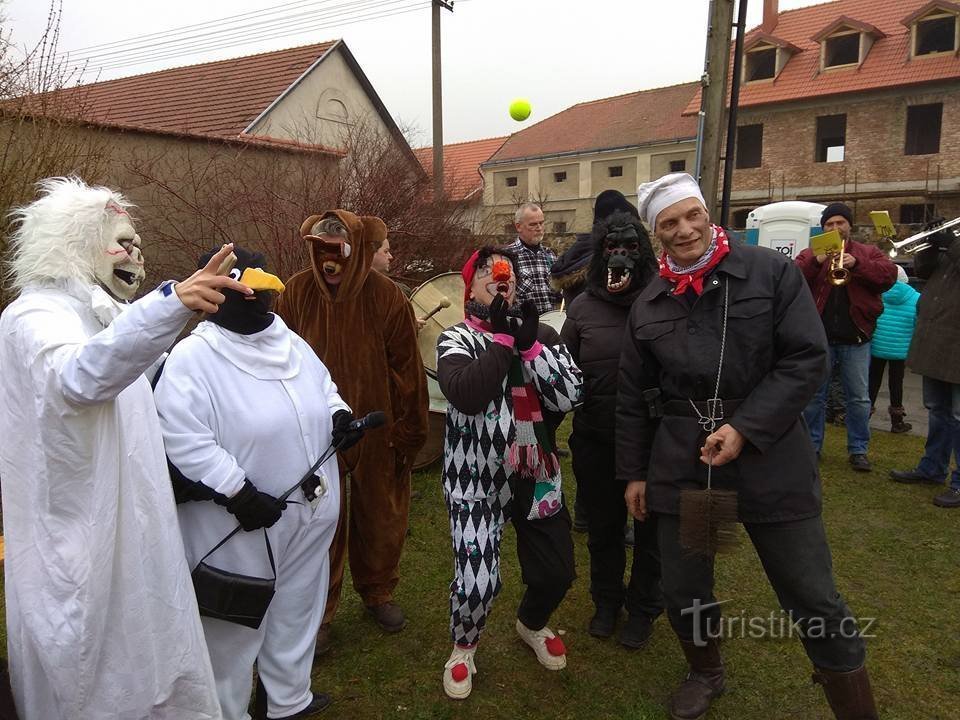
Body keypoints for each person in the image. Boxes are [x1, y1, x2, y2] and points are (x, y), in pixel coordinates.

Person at [618, 173, 877, 720]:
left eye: (691, 215)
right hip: (697, 471)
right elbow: (635, 396)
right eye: (669, 222)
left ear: (706, 212)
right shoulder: (651, 301)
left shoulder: (770, 272)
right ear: (656, 233)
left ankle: (853, 705)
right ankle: (706, 670)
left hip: (769, 462)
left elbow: (807, 358)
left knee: (811, 594)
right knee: (687, 588)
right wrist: (635, 473)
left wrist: (748, 427)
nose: (684, 229)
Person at [0, 177, 251, 720]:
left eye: (137, 242)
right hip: (79, 539)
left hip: (137, 530)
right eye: (120, 241)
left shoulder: (103, 313)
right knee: (94, 668)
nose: (134, 253)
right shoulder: (34, 317)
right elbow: (80, 377)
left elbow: (136, 376)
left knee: (154, 655)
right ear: (75, 243)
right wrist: (168, 306)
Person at [156, 246, 351, 719]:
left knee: (299, 607)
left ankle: (288, 700)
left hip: (308, 514)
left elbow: (323, 387)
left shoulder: (288, 339)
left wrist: (338, 414)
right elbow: (180, 435)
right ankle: (227, 710)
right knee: (232, 626)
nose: (261, 303)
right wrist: (237, 491)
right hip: (238, 525)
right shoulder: (193, 358)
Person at [276, 210, 428, 652]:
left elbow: (407, 371)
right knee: (320, 523)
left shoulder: (386, 297)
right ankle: (319, 611)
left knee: (380, 517)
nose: (329, 260)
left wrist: (409, 433)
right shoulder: (296, 293)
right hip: (316, 434)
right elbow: (279, 360)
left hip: (377, 431)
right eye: (319, 247)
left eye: (338, 246)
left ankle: (378, 590)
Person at [437, 247, 582, 700]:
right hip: (474, 480)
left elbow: (571, 395)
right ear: (471, 286)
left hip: (536, 473)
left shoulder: (538, 334)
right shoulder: (455, 339)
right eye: (485, 271)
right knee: (477, 583)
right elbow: (466, 394)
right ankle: (464, 646)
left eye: (506, 272)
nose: (499, 277)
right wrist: (501, 343)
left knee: (557, 572)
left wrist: (530, 344)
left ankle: (531, 623)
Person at [561, 204, 664, 650]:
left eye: (629, 247)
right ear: (601, 254)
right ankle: (606, 602)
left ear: (641, 252)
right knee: (603, 527)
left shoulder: (665, 298)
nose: (620, 254)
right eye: (612, 247)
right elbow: (561, 375)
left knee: (652, 531)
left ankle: (642, 609)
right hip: (596, 437)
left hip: (654, 440)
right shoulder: (582, 306)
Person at [551, 190, 643, 533]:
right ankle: (600, 513)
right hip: (597, 345)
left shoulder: (575, 253)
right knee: (600, 439)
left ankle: (587, 511)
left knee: (591, 429)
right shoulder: (604, 255)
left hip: (588, 354)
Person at [795, 203, 897, 471]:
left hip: (856, 336)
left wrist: (859, 264)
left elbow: (888, 276)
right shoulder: (813, 252)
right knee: (815, 395)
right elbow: (794, 277)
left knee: (859, 398)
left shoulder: (867, 252)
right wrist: (817, 261)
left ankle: (859, 450)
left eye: (840, 223)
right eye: (829, 224)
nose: (835, 228)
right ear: (823, 228)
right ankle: (811, 446)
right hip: (820, 336)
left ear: (849, 226)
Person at [890, 219, 960, 508]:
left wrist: (951, 244)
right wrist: (931, 246)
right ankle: (932, 468)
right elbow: (924, 271)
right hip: (936, 340)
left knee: (958, 416)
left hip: (956, 344)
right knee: (938, 410)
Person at [868, 264, 919, 433]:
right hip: (900, 349)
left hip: (877, 345)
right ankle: (897, 422)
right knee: (896, 383)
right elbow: (916, 324)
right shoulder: (916, 297)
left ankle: (864, 416)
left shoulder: (877, 292)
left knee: (872, 381)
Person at [504, 202, 561, 315]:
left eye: (541, 223)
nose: (539, 228)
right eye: (533, 224)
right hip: (522, 326)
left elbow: (559, 293)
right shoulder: (507, 257)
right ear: (518, 226)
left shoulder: (550, 255)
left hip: (551, 326)